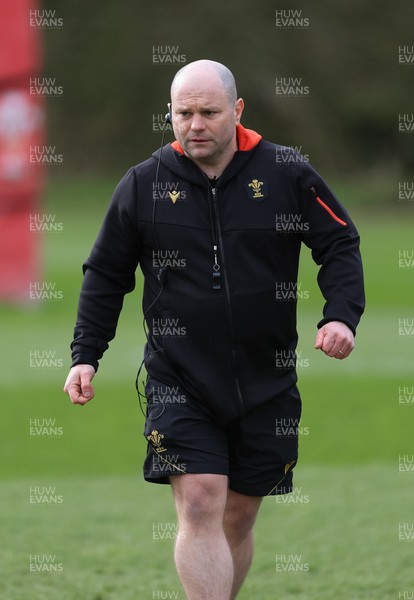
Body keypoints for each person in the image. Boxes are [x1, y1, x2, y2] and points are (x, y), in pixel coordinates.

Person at [64, 59, 365, 599]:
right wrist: (86, 353)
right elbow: (106, 274)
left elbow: (339, 242)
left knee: (239, 515)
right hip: (179, 376)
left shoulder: (287, 172)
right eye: (184, 113)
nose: (195, 124)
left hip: (266, 377)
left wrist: (341, 314)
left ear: (237, 110)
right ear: (171, 114)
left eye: (208, 112)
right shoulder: (143, 183)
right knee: (202, 499)